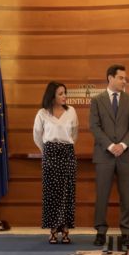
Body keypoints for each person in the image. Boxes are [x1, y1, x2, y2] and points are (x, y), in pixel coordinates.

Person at [89, 64, 129, 247]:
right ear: (110, 78)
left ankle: (126, 232)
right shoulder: (97, 100)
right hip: (104, 155)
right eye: (121, 78)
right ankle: (100, 231)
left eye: (125, 78)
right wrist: (110, 146)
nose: (125, 81)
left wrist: (123, 145)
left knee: (127, 196)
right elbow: (94, 126)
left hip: (126, 155)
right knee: (102, 195)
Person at [33, 81, 79, 244]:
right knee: (52, 193)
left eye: (65, 93)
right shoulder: (42, 113)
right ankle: (53, 229)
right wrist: (46, 151)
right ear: (52, 96)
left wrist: (65, 146)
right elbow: (37, 136)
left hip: (67, 153)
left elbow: (74, 134)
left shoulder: (71, 111)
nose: (64, 96)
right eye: (61, 93)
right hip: (50, 154)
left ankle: (65, 228)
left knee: (66, 192)